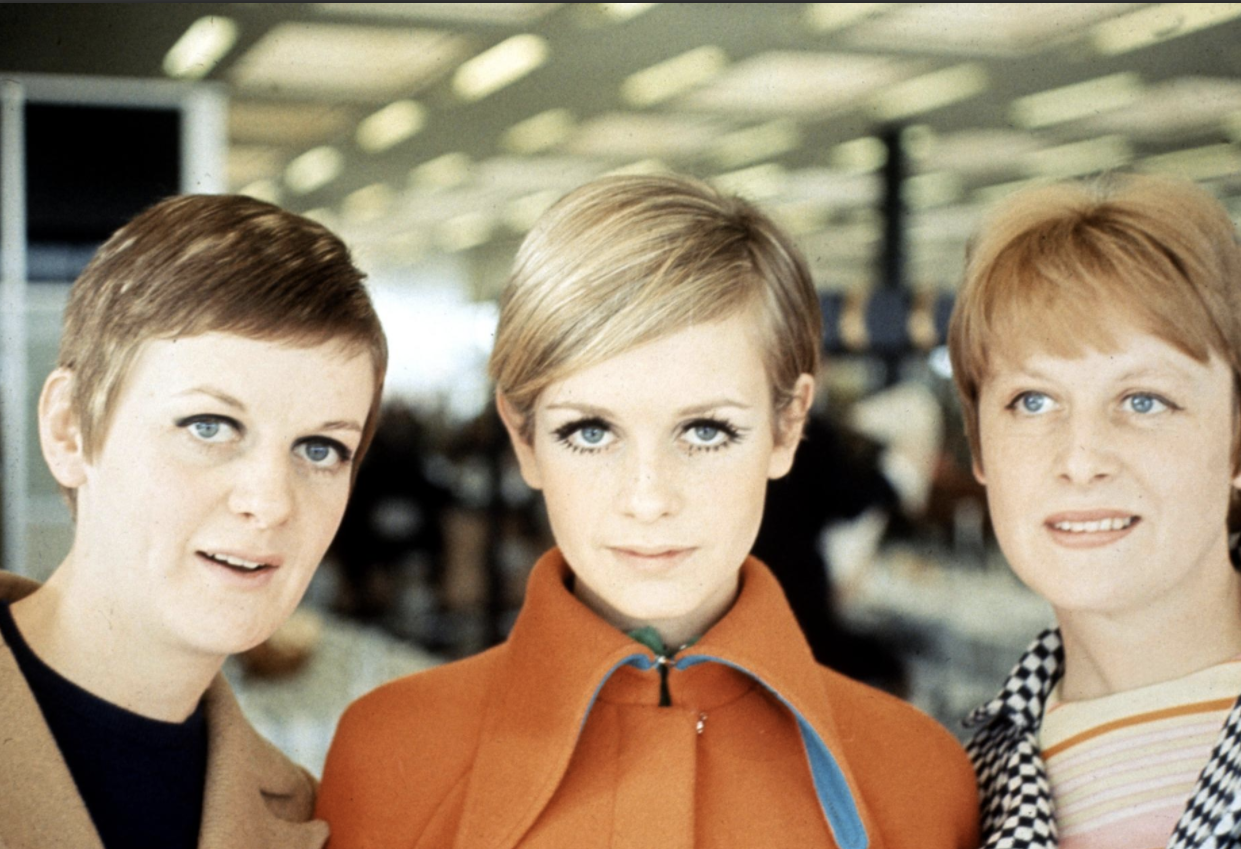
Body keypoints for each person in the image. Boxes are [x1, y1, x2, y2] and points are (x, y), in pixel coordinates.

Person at [315, 174, 980, 849]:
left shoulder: (918, 780)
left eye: (705, 431)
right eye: (590, 432)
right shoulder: (390, 759)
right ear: (524, 439)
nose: (648, 498)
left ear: (787, 426)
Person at [0, 195, 387, 849]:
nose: (271, 502)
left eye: (320, 449)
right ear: (69, 430)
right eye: (209, 426)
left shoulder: (306, 817)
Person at [949, 175, 1241, 849]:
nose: (1081, 459)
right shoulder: (963, 791)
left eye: (1143, 401)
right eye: (1032, 401)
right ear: (980, 449)